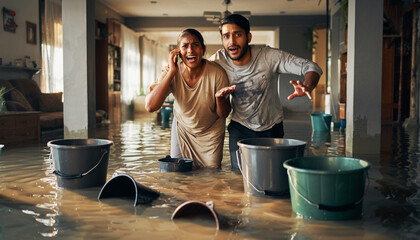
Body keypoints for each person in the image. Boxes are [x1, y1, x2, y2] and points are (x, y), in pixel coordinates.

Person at [208, 14, 323, 172]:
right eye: (226, 36)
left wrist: (307, 86)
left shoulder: (269, 56)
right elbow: (193, 71)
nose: (232, 41)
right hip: (239, 128)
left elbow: (312, 67)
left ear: (248, 37)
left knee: (272, 174)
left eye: (238, 35)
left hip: (272, 127)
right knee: (239, 176)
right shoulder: (217, 61)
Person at [145, 28, 235, 168]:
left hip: (210, 133)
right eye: (185, 46)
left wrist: (219, 99)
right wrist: (171, 73)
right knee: (179, 175)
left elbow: (223, 114)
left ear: (203, 49)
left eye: (196, 45)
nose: (190, 51)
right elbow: (150, 106)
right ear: (178, 52)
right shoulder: (171, 72)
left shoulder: (217, 74)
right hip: (183, 130)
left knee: (210, 177)